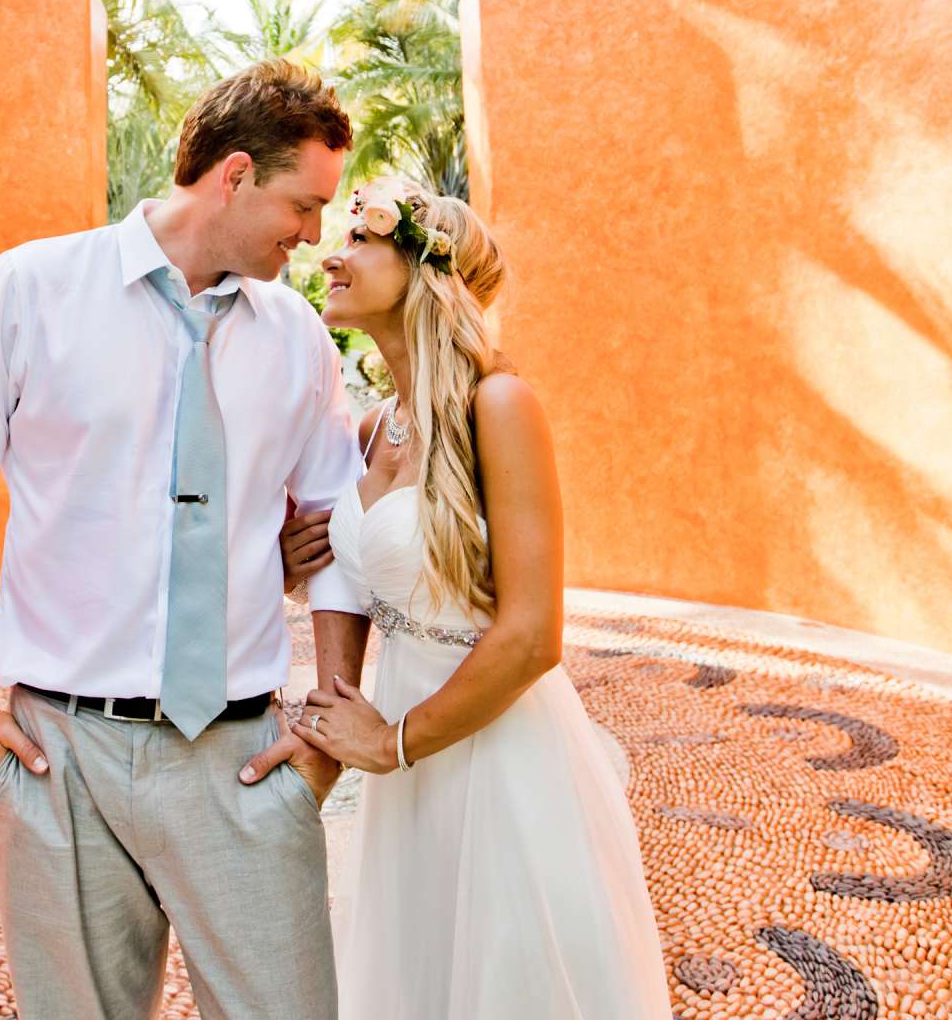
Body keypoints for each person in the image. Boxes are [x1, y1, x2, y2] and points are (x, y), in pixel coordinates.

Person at [0, 60, 369, 1020]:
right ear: (234, 175)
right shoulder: (28, 291)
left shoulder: (298, 340)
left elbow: (340, 535)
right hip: (58, 754)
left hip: (242, 755)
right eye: (304, 204)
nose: (316, 236)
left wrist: (323, 736)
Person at [286, 175, 674, 1017]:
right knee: (422, 971)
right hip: (405, 749)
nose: (331, 254)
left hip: (497, 747)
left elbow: (533, 635)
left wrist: (393, 742)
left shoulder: (499, 405)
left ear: (425, 271)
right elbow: (357, 578)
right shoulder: (372, 428)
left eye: (359, 240)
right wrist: (293, 560)